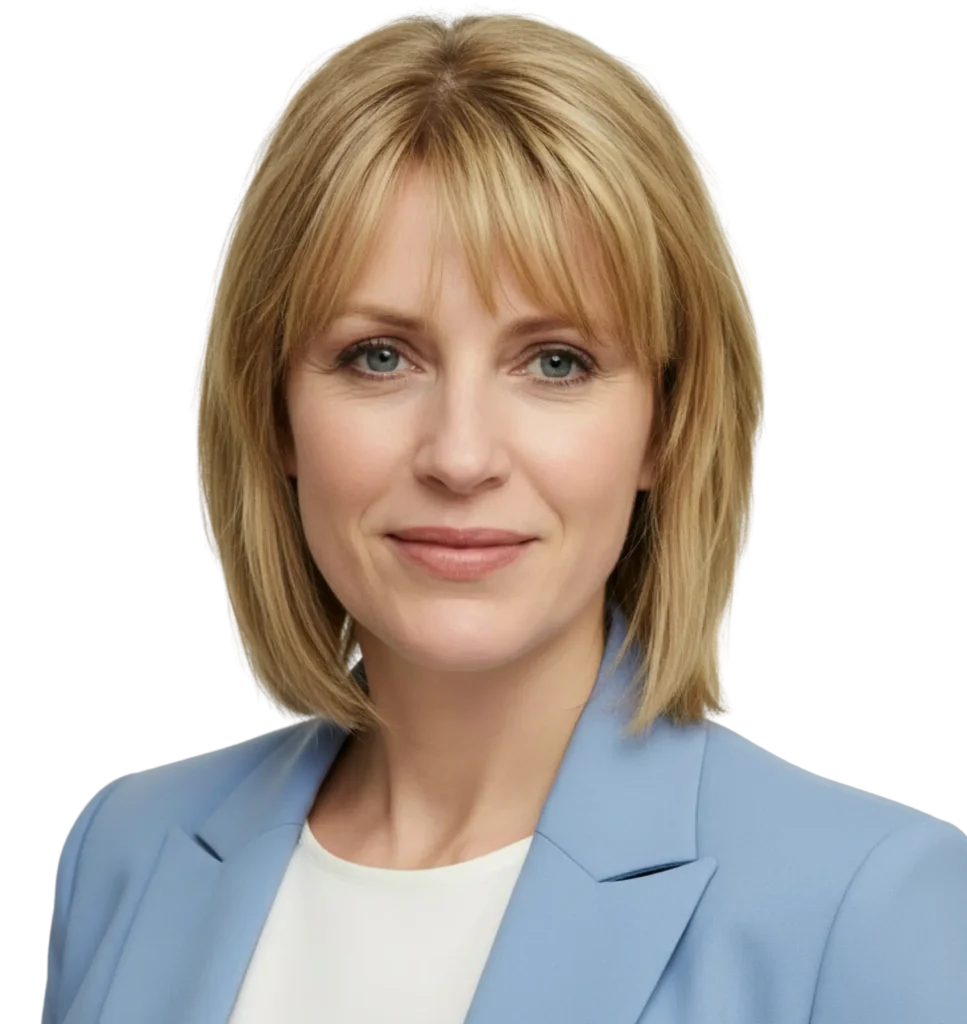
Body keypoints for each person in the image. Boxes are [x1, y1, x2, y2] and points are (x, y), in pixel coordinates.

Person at [43, 7, 966, 1024]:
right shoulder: (123, 851)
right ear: (271, 412)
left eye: (556, 362)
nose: (461, 455)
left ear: (667, 422)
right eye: (379, 356)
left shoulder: (864, 904)